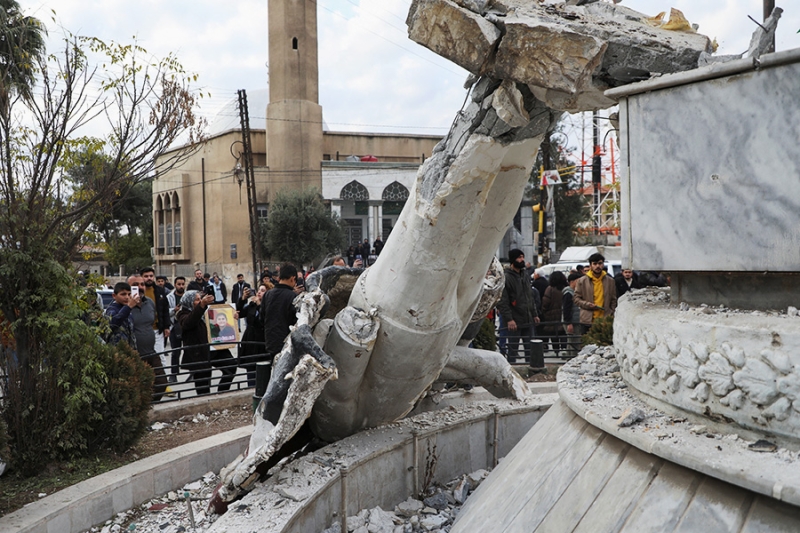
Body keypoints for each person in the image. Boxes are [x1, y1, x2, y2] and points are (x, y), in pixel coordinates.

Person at [177, 290, 237, 396]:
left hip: (214, 349)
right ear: (189, 302)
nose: (200, 301)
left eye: (200, 299)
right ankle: (206, 402)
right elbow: (189, 322)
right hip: (199, 354)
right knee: (203, 385)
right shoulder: (182, 314)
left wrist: (232, 316)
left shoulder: (206, 310)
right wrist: (201, 305)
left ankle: (221, 394)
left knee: (231, 366)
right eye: (197, 300)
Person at [497, 249, 542, 372]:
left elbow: (529, 297)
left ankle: (532, 372)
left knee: (530, 349)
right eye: (519, 257)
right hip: (514, 320)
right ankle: (512, 374)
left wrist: (534, 314)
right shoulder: (506, 277)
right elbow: (503, 301)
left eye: (523, 257)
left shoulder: (525, 275)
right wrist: (509, 319)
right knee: (513, 349)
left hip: (527, 319)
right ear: (513, 260)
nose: (522, 260)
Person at [127, 274, 168, 401]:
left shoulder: (149, 303)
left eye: (142, 284)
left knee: (161, 383)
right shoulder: (124, 306)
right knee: (139, 387)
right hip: (134, 354)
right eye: (135, 285)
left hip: (151, 351)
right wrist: (129, 305)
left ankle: (151, 405)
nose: (140, 287)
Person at [262, 263, 300, 360]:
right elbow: (296, 321)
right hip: (287, 344)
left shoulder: (267, 294)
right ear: (292, 278)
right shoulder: (293, 297)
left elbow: (262, 317)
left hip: (270, 342)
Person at [574, 253, 618, 334]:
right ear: (590, 266)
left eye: (600, 263)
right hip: (587, 321)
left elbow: (613, 299)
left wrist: (611, 312)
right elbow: (576, 299)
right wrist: (587, 304)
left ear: (603, 264)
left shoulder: (610, 281)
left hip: (604, 320)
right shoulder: (582, 281)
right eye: (595, 264)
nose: (598, 266)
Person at [238, 283, 269, 386]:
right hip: (250, 340)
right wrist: (243, 298)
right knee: (250, 370)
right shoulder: (252, 305)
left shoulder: (269, 306)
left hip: (262, 341)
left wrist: (260, 305)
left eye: (263, 290)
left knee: (262, 371)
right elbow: (240, 312)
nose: (259, 292)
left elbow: (263, 320)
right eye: (258, 290)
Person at [140, 267, 171, 370]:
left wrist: (166, 326)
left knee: (160, 355)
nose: (149, 278)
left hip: (157, 329)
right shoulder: (138, 291)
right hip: (142, 330)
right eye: (146, 276)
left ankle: (163, 377)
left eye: (151, 276)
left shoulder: (159, 290)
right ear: (141, 277)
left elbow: (165, 309)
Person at [541, 271, 568, 355]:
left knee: (554, 334)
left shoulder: (550, 289)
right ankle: (564, 349)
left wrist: (545, 311)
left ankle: (556, 351)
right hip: (563, 314)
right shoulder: (566, 288)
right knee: (563, 333)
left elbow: (545, 303)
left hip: (551, 316)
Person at [104, 281, 137, 347]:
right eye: (123, 294)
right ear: (114, 296)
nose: (127, 297)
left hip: (128, 348)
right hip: (116, 348)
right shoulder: (112, 309)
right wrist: (128, 307)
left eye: (129, 294)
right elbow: (113, 323)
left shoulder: (128, 311)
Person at [166, 276, 186, 383]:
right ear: (175, 285)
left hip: (187, 327)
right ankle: (173, 374)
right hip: (174, 326)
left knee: (191, 351)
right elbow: (165, 312)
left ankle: (193, 373)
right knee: (175, 352)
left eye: (183, 284)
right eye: (179, 284)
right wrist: (174, 310)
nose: (181, 286)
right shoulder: (169, 297)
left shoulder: (188, 296)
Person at [561, 272, 583, 356]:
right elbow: (566, 309)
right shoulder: (568, 293)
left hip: (575, 320)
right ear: (572, 282)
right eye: (578, 281)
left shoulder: (575, 292)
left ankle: (570, 357)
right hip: (572, 322)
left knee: (573, 341)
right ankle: (571, 357)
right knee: (573, 342)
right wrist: (568, 323)